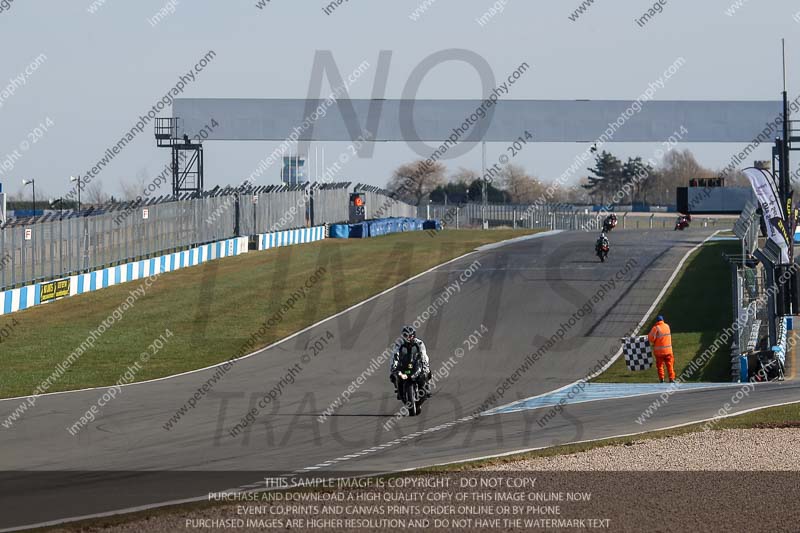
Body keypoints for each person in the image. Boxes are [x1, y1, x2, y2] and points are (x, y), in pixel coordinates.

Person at [389, 326, 431, 400]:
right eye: (406, 336)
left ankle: (427, 385)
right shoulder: (398, 344)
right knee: (393, 375)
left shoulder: (419, 343)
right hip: (403, 363)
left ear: (413, 336)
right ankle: (398, 388)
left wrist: (424, 366)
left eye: (410, 336)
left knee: (427, 371)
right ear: (403, 336)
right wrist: (393, 366)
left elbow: (423, 354)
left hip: (416, 361)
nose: (408, 338)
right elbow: (394, 355)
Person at [648, 315, 675, 383]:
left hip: (659, 352)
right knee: (670, 365)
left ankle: (662, 379)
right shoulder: (667, 326)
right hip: (668, 351)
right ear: (662, 320)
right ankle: (671, 378)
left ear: (657, 321)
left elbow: (651, 338)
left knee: (660, 366)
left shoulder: (656, 328)